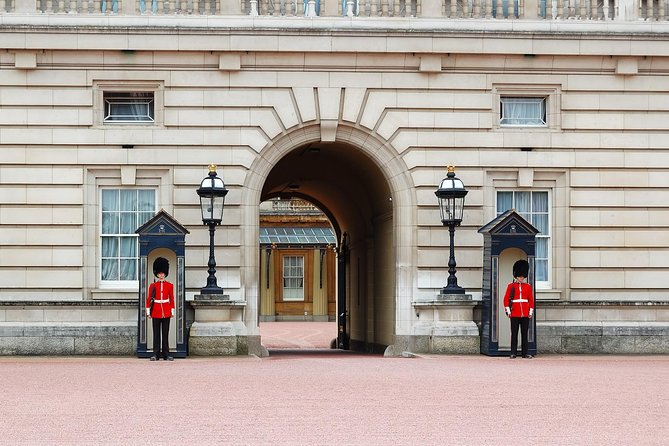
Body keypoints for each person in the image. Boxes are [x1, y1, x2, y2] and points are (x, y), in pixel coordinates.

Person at [503, 259, 535, 359]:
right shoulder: (511, 286)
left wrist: (530, 312)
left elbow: (531, 300)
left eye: (523, 276)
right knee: (514, 334)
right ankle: (513, 352)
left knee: (524, 334)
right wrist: (508, 312)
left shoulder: (528, 287)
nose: (521, 278)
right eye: (520, 276)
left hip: (525, 313)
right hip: (515, 313)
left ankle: (525, 353)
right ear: (516, 276)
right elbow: (505, 300)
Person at [146, 257, 175, 361]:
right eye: (160, 273)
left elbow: (171, 298)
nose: (161, 275)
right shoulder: (153, 285)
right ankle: (156, 353)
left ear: (165, 274)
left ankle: (166, 353)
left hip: (166, 311)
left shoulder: (170, 285)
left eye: (163, 273)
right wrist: (148, 311)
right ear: (157, 274)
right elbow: (149, 298)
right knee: (156, 334)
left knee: (165, 333)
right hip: (156, 311)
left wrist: (172, 310)